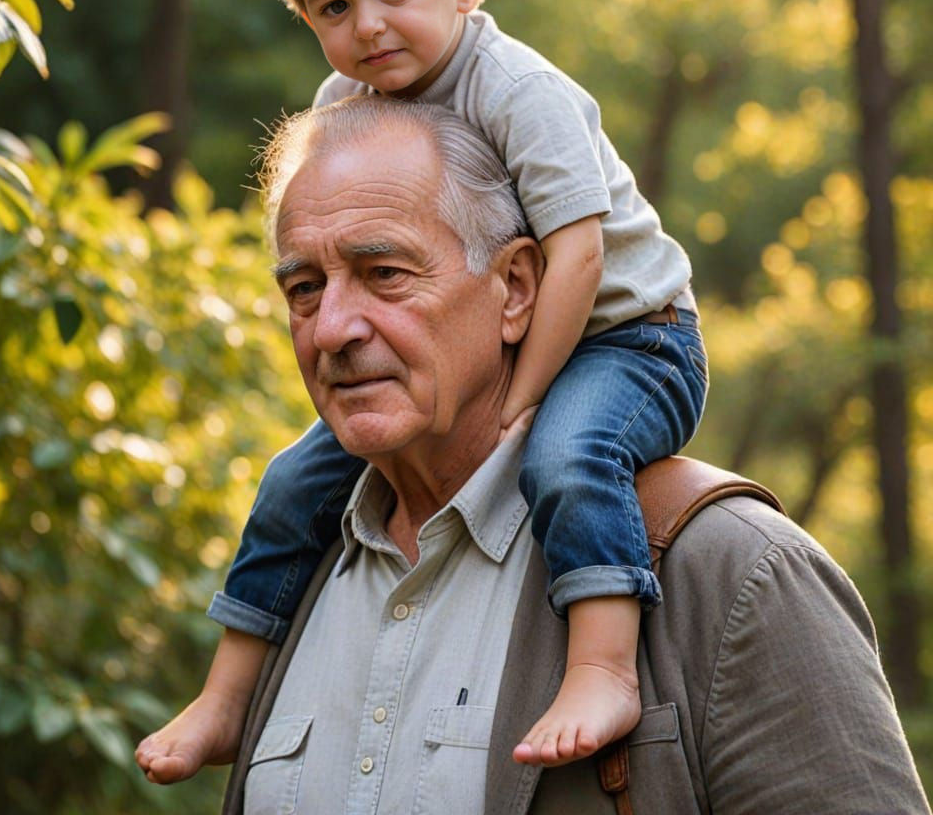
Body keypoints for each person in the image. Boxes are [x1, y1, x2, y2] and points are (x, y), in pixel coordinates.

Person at [137, 0, 708, 784]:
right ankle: (229, 697)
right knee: (288, 484)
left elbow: (574, 255)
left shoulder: (518, 90)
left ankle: (602, 666)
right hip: (494, 346)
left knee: (570, 457)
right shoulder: (346, 105)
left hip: (629, 337)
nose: (369, 25)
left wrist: (517, 403)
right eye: (333, 7)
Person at [213, 95, 928, 814]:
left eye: (385, 274)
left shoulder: (733, 571)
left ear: (517, 288)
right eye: (305, 288)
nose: (332, 328)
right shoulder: (289, 578)